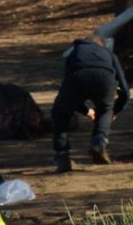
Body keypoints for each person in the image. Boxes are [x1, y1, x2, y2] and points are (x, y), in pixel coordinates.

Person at [50, 31, 129, 171]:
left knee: (60, 113)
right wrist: (115, 111)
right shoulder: (108, 54)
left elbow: (69, 89)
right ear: (101, 44)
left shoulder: (75, 53)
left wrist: (86, 110)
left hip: (77, 77)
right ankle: (99, 143)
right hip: (104, 77)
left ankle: (61, 155)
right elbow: (125, 90)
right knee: (105, 109)